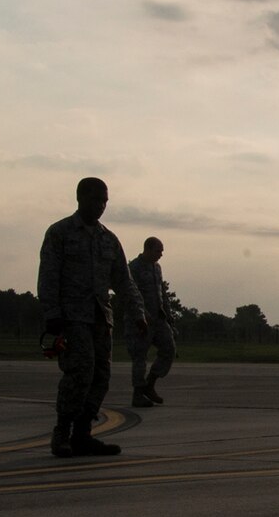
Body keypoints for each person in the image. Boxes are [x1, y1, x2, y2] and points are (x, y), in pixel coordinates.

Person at [38, 177, 147, 457]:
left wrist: (138, 313)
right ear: (80, 198)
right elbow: (48, 276)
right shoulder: (60, 233)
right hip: (72, 317)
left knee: (101, 375)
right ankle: (62, 432)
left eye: (105, 201)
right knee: (79, 373)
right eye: (96, 199)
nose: (101, 206)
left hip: (100, 318)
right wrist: (52, 313)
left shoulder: (108, 239)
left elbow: (123, 280)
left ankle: (83, 434)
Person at [127, 237, 176, 407]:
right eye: (158, 250)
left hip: (158, 319)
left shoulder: (157, 268)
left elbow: (161, 292)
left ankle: (150, 384)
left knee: (169, 348)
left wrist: (168, 314)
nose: (161, 254)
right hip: (140, 320)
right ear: (147, 249)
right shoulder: (134, 268)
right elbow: (130, 294)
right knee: (140, 356)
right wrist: (142, 315)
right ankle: (138, 394)